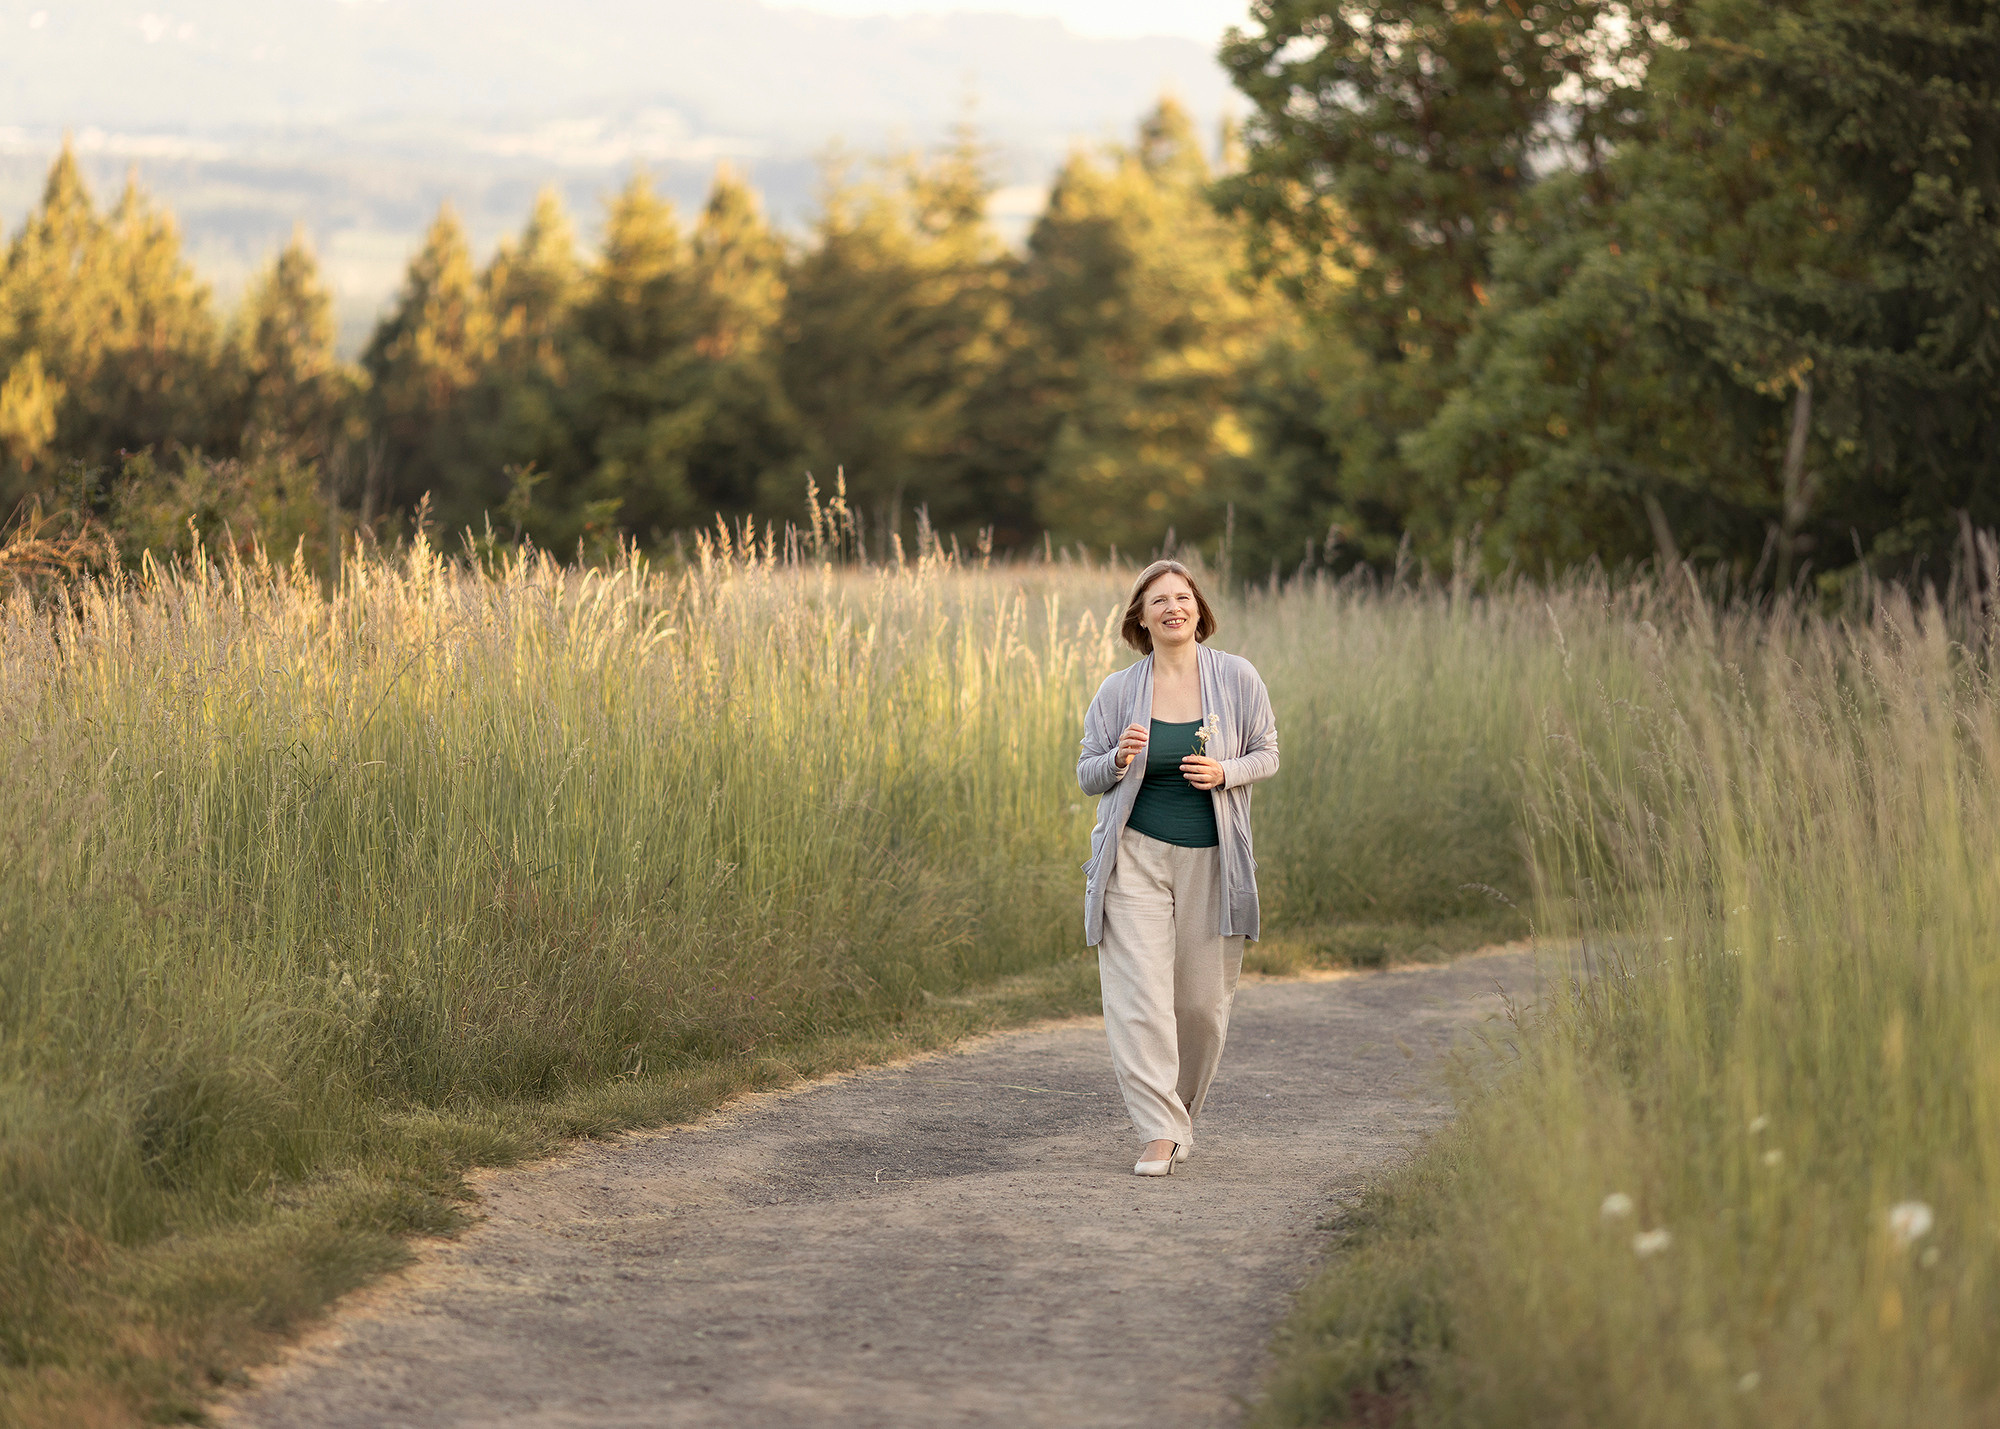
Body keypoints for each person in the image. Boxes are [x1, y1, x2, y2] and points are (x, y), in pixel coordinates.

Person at [1076, 559, 1280, 1176]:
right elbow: (1087, 773)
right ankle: (1159, 1131)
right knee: (1138, 996)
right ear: (1139, 617)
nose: (1172, 607)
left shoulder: (1237, 678)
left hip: (1211, 862)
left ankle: (1178, 1110)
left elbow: (1267, 753)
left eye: (1181, 597)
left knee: (1199, 1005)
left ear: (1198, 610)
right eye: (1157, 599)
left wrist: (1226, 772)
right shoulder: (1117, 691)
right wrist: (1117, 759)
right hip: (1133, 857)